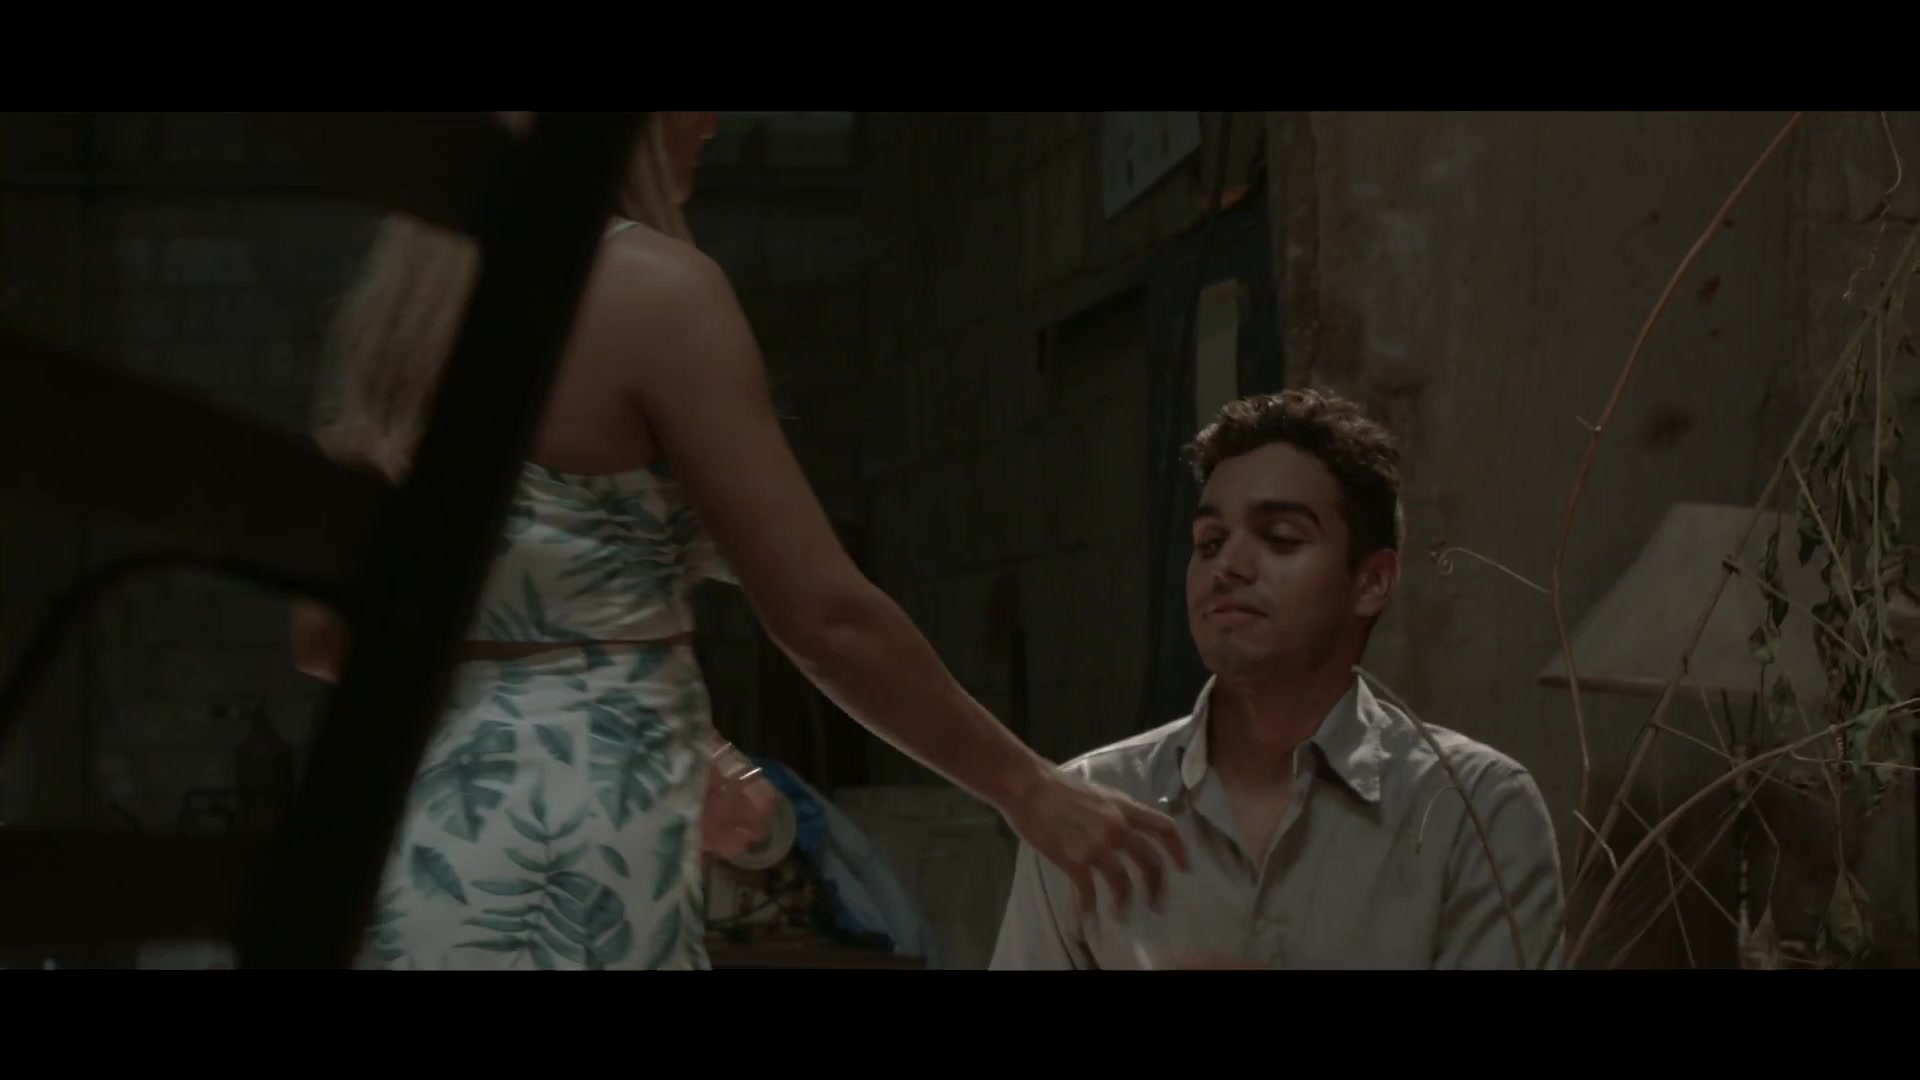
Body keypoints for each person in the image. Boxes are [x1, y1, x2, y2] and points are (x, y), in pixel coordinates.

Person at [291, 112, 1186, 970]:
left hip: (422, 832)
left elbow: (326, 639)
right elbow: (825, 619)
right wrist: (1029, 789)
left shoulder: (408, 311)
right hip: (576, 860)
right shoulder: (652, 290)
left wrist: (663, 729)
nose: (714, 122)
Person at [989, 388, 1564, 970]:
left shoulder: (1473, 809)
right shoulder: (1085, 806)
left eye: (1280, 538)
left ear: (1371, 582)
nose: (1228, 566)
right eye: (1210, 543)